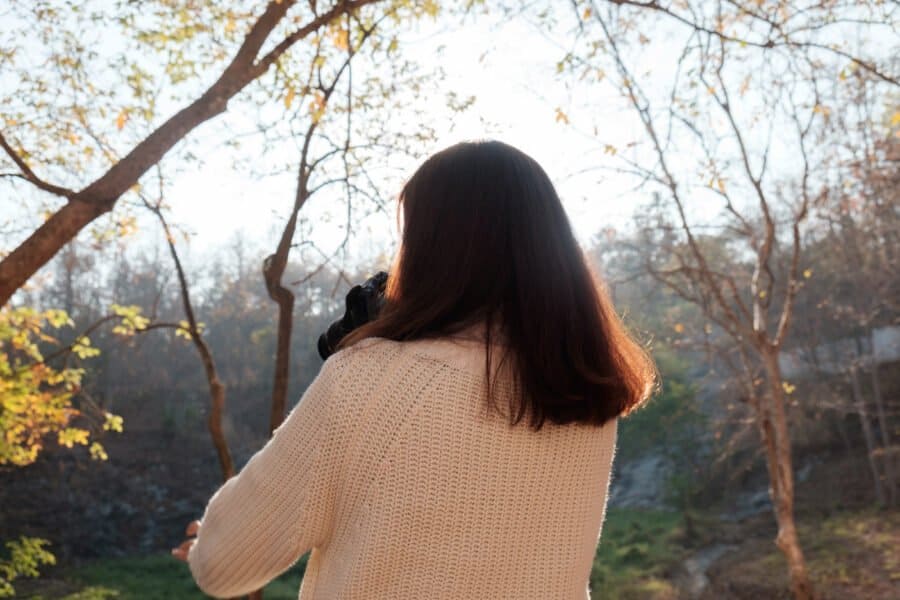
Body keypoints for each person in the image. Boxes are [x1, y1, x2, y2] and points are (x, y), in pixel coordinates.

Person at [171, 140, 656, 599]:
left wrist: (210, 540)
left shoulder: (368, 378)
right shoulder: (584, 392)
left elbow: (223, 564)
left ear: (431, 249)